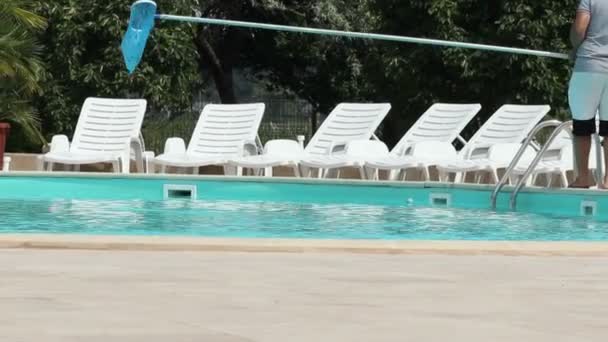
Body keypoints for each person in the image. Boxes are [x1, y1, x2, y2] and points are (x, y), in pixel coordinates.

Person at [569, 0, 608, 188]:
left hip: (590, 65)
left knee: (582, 124)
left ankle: (583, 178)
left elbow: (579, 29)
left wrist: (575, 49)